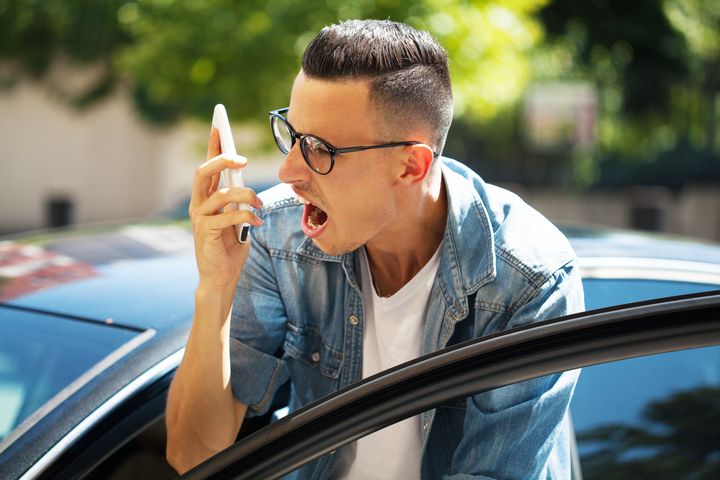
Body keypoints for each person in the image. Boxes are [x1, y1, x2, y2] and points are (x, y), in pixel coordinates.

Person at [166, 19, 584, 479]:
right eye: (291, 133)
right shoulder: (280, 237)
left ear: (410, 165)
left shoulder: (528, 279)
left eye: (318, 149)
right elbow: (194, 457)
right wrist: (216, 286)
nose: (287, 172)